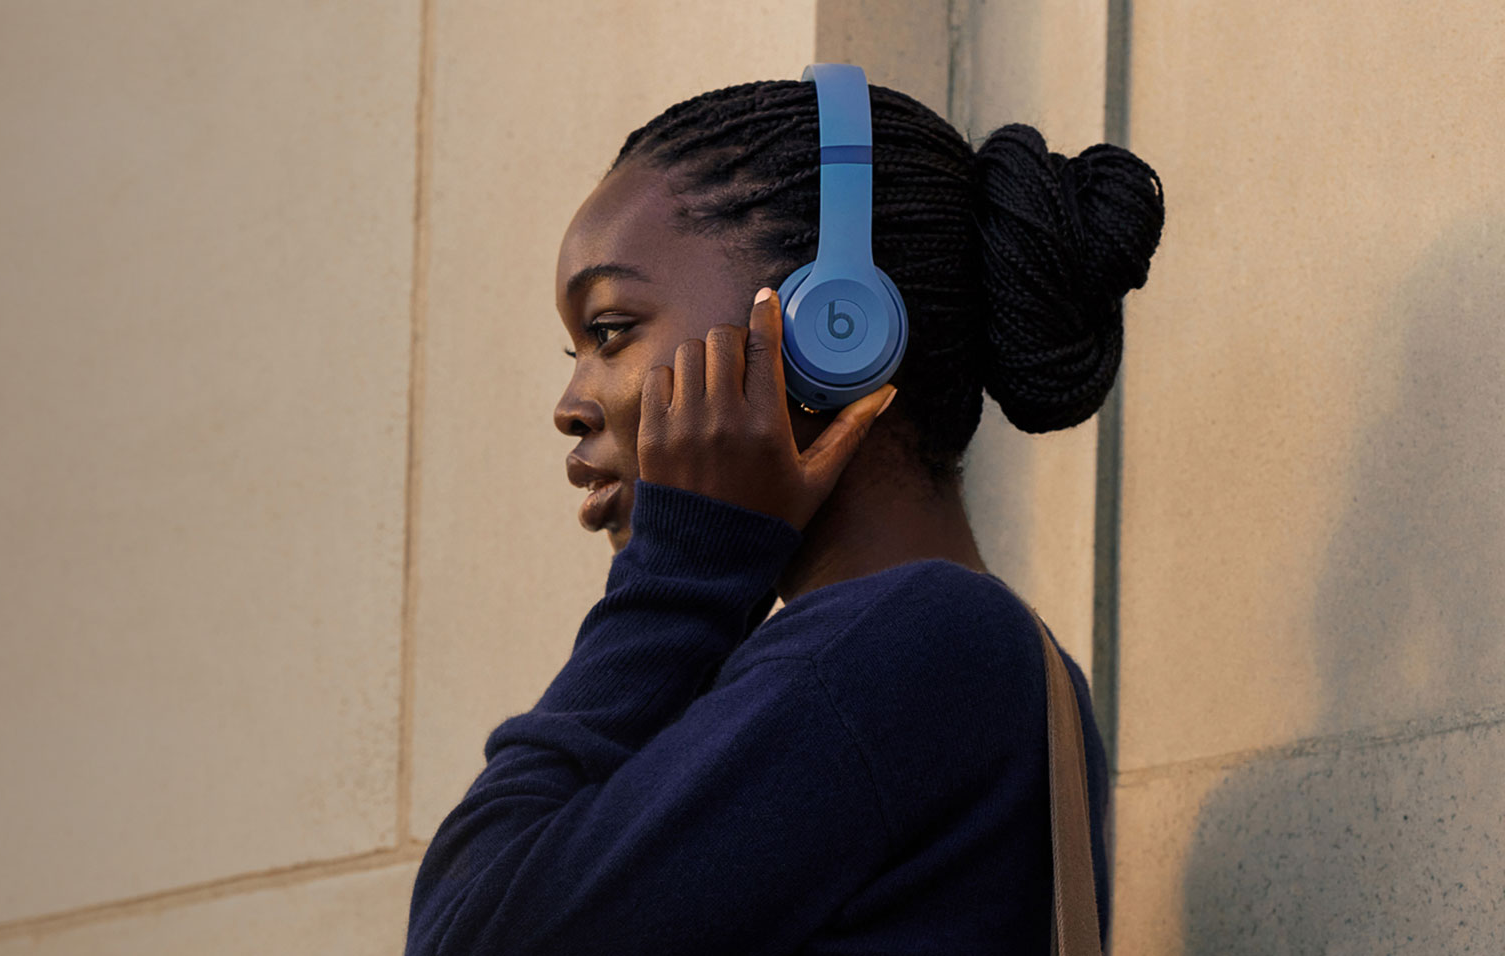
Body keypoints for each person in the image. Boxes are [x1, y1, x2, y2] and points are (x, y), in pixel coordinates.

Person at [405, 78, 1165, 955]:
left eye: (610, 329)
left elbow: (465, 939)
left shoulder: (913, 648)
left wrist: (679, 577)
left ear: (834, 327)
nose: (572, 404)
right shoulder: (967, 660)